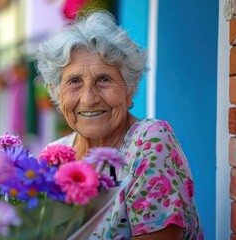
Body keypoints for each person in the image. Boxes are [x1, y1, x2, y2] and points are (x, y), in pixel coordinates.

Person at [36, 10, 203, 240]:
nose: (89, 98)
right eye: (74, 81)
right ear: (56, 92)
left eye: (104, 79)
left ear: (130, 89)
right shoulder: (55, 157)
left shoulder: (150, 142)